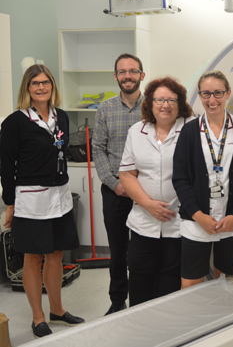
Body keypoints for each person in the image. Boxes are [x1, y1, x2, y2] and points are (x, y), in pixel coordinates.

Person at [0, 65, 85, 338]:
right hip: (31, 198)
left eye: (45, 83)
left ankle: (57, 310)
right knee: (33, 256)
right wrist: (10, 203)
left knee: (57, 254)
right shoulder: (15, 122)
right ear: (27, 88)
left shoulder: (61, 117)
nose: (41, 88)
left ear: (52, 86)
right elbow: (5, 164)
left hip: (59, 195)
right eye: (35, 83)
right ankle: (38, 317)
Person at [173, 70, 233, 288]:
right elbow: (180, 178)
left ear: (228, 93)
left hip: (232, 221)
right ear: (200, 96)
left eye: (218, 93)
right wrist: (197, 214)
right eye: (206, 94)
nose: (212, 100)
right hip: (197, 220)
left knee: (225, 282)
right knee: (190, 284)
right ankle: (194, 322)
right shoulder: (190, 131)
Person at [118, 77, 194, 306]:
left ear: (180, 103)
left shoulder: (192, 129)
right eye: (160, 99)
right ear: (150, 103)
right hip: (143, 221)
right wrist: (148, 204)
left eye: (171, 100)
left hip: (178, 222)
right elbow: (127, 174)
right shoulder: (136, 131)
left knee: (170, 283)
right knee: (140, 280)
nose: (165, 105)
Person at [93, 53, 145, 315]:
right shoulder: (105, 109)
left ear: (141, 76)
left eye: (133, 71)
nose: (127, 76)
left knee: (141, 251)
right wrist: (115, 184)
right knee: (118, 252)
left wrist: (139, 189)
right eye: (122, 72)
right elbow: (98, 150)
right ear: (116, 76)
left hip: (146, 192)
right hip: (114, 191)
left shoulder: (155, 106)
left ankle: (140, 302)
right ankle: (117, 303)